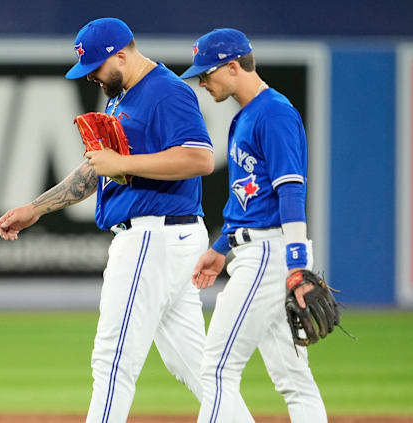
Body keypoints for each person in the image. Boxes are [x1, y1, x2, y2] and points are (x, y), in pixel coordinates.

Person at [0, 18, 253, 423]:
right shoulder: (122, 96)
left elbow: (201, 158)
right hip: (165, 238)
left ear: (121, 55)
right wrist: (37, 208)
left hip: (154, 236)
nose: (92, 78)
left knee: (113, 361)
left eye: (96, 68)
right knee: (196, 368)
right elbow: (99, 169)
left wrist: (123, 162)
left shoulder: (165, 91)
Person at [181, 28, 327, 422]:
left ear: (232, 66)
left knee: (215, 369)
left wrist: (297, 263)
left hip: (269, 253)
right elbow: (252, 199)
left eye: (206, 72)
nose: (201, 81)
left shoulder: (274, 112)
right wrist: (221, 247)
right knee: (294, 379)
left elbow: (291, 191)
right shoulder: (246, 116)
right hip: (255, 248)